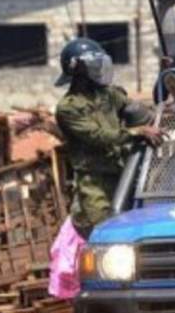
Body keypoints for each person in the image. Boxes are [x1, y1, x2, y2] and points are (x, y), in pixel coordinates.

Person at [54, 38, 167, 239]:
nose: (99, 69)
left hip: (125, 173)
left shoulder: (109, 94)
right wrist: (136, 132)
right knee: (104, 233)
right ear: (78, 70)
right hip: (95, 181)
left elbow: (136, 110)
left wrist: (161, 107)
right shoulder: (68, 107)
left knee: (138, 230)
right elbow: (97, 136)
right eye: (93, 64)